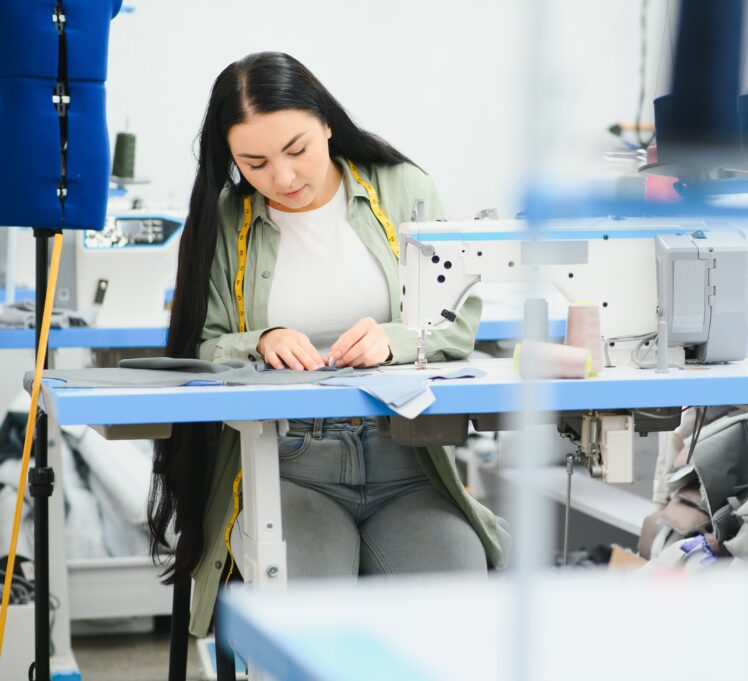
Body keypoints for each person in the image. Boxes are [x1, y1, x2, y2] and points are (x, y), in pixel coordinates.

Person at [147, 51, 511, 637]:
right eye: (255, 163)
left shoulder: (404, 189)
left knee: (455, 620)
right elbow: (207, 344)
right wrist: (260, 340)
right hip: (286, 466)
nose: (283, 179)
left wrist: (394, 339)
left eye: (297, 150)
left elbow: (456, 321)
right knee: (314, 634)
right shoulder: (226, 221)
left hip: (408, 459)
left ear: (326, 123)